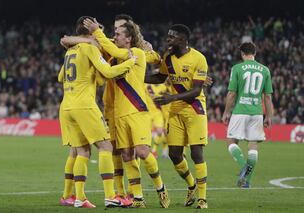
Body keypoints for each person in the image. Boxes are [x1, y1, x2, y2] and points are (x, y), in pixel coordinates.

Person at [83, 18, 170, 208]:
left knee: (143, 151)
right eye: (113, 34)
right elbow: (107, 55)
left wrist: (98, 31)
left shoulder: (137, 53)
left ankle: (160, 187)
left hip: (137, 110)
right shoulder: (114, 60)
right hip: (118, 115)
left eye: (118, 34)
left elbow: (115, 49)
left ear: (129, 38)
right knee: (127, 156)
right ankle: (138, 198)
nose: (114, 36)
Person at [59, 16, 136, 208]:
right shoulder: (90, 47)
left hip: (66, 106)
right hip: (84, 105)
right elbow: (109, 73)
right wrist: (130, 62)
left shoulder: (70, 51)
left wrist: (92, 73)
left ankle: (79, 198)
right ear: (90, 32)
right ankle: (111, 196)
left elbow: (61, 76)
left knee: (82, 150)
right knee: (105, 147)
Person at [145, 24, 209, 209]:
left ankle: (203, 199)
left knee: (196, 152)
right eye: (168, 36)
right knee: (174, 154)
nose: (168, 40)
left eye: (172, 37)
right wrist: (137, 75)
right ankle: (192, 185)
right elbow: (159, 77)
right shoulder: (168, 57)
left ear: (182, 39)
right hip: (175, 110)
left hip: (195, 108)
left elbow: (197, 90)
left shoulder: (199, 58)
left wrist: (172, 97)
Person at [222, 42, 273, 188]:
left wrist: (226, 112)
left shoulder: (237, 68)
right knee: (253, 145)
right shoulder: (265, 70)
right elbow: (267, 97)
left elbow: (232, 93)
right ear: (254, 53)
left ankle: (243, 166)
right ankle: (247, 181)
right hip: (257, 113)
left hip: (240, 111)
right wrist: (268, 116)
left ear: (242, 54)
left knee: (231, 141)